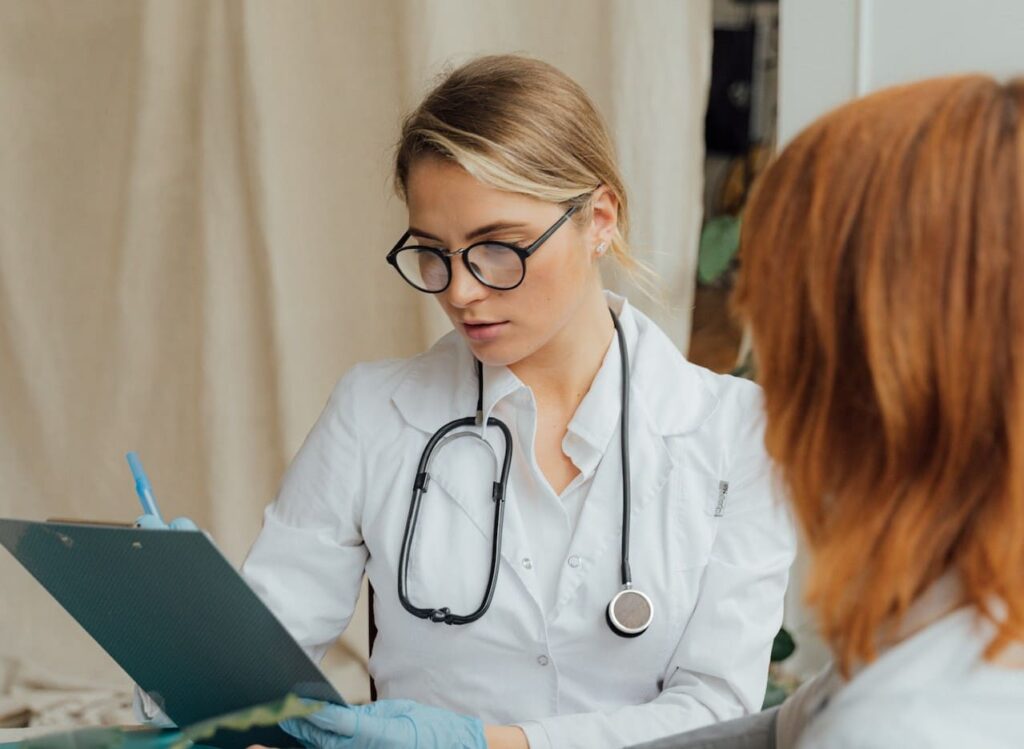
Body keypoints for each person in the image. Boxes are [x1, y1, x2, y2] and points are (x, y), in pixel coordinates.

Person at [141, 54, 795, 749]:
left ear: (599, 218)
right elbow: (236, 694)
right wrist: (192, 630)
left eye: (497, 248)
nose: (459, 290)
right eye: (433, 252)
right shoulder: (374, 411)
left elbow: (717, 713)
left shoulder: (736, 432)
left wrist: (489, 744)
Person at [635, 74, 1024, 749]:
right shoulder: (965, 609)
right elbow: (787, 727)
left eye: (781, 343)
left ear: (872, 377)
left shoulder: (913, 724)